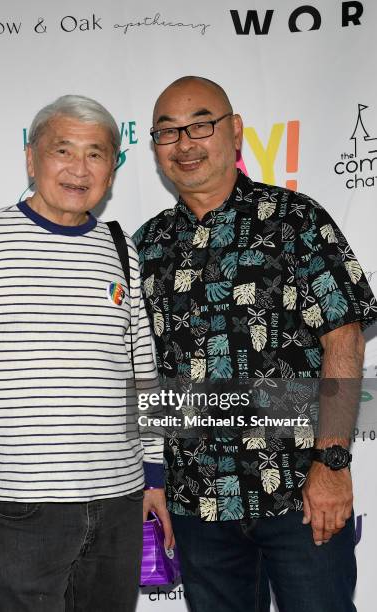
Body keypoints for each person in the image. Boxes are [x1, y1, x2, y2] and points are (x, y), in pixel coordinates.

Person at [0, 94, 172, 612]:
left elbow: (142, 374)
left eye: (96, 154)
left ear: (112, 168)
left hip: (121, 502)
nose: (80, 169)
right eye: (64, 151)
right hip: (27, 507)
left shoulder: (120, 250)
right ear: (32, 158)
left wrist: (154, 476)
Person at [133, 76, 376, 612]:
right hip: (196, 504)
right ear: (155, 147)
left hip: (300, 494)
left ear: (235, 131)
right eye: (168, 132)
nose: (185, 143)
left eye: (201, 124)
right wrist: (150, 480)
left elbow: (345, 338)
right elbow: (143, 369)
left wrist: (332, 463)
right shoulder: (145, 246)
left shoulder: (296, 221)